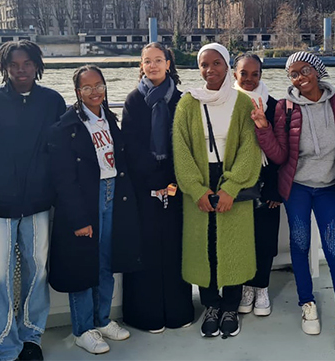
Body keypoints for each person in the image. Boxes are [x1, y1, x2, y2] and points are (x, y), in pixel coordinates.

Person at [252, 51, 335, 353]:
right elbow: (280, 155)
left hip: (327, 188)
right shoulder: (285, 108)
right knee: (299, 244)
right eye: (293, 74)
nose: (299, 78)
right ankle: (306, 302)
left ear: (317, 71)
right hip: (297, 188)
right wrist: (262, 127)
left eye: (304, 71)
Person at [0, 41, 65, 361]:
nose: (21, 69)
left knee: (37, 270)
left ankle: (31, 338)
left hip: (39, 202)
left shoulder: (52, 101)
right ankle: (0, 345)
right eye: (14, 64)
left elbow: (62, 146)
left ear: (37, 65)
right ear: (4, 67)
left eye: (27, 63)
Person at [48, 66, 142, 355]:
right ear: (77, 92)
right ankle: (82, 329)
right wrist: (78, 218)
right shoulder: (67, 127)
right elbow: (63, 179)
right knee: (82, 265)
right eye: (86, 87)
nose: (94, 92)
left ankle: (102, 319)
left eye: (98, 85)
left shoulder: (109, 121)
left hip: (113, 194)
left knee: (105, 261)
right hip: (86, 200)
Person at [173, 43, 261, 339]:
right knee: (205, 245)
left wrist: (232, 188)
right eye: (204, 65)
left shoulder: (243, 103)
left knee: (233, 245)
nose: (210, 70)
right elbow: (181, 150)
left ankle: (230, 307)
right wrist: (196, 190)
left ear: (227, 67)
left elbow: (250, 149)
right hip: (199, 179)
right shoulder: (188, 103)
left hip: (233, 178)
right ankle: (211, 305)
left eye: (216, 64)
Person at [121, 43, 194, 333]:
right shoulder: (133, 101)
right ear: (141, 65)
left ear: (168, 63)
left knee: (176, 248)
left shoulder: (182, 100)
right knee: (146, 250)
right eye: (147, 61)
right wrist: (154, 183)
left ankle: (178, 311)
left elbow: (187, 144)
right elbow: (131, 146)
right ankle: (146, 315)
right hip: (144, 189)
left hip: (177, 187)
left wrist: (173, 181)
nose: (152, 66)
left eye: (158, 60)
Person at [232, 52, 282, 317]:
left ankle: (261, 286)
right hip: (237, 183)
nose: (249, 79)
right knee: (241, 239)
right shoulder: (226, 103)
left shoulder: (273, 106)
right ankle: (244, 287)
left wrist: (275, 189)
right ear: (234, 74)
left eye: (255, 74)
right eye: (244, 74)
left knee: (264, 239)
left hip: (266, 183)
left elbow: (279, 151)